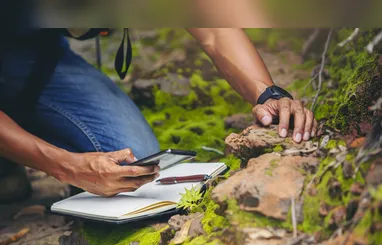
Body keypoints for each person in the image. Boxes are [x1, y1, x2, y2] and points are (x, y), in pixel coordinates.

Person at [0, 28, 317, 198]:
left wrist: (268, 93)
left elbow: (215, 29)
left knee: (137, 166)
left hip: (36, 58)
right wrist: (66, 166)